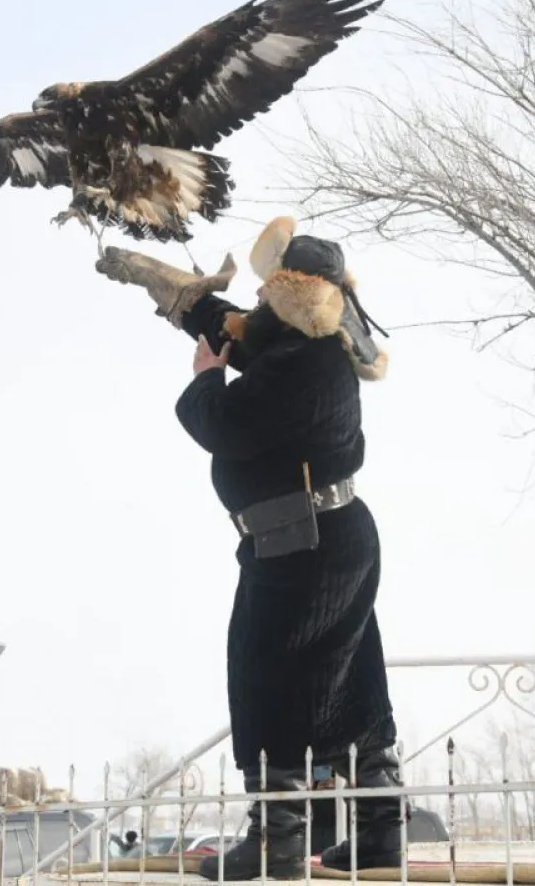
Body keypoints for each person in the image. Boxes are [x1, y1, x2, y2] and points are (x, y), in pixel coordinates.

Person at [138, 216, 404, 880]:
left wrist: (205, 378)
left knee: (263, 677)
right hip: (327, 534)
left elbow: (226, 426)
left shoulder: (301, 365)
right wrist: (191, 305)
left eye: (266, 293)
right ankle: (379, 830)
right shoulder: (315, 348)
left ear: (289, 297)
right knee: (348, 677)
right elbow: (247, 335)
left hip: (300, 544)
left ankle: (276, 840)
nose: (255, 301)